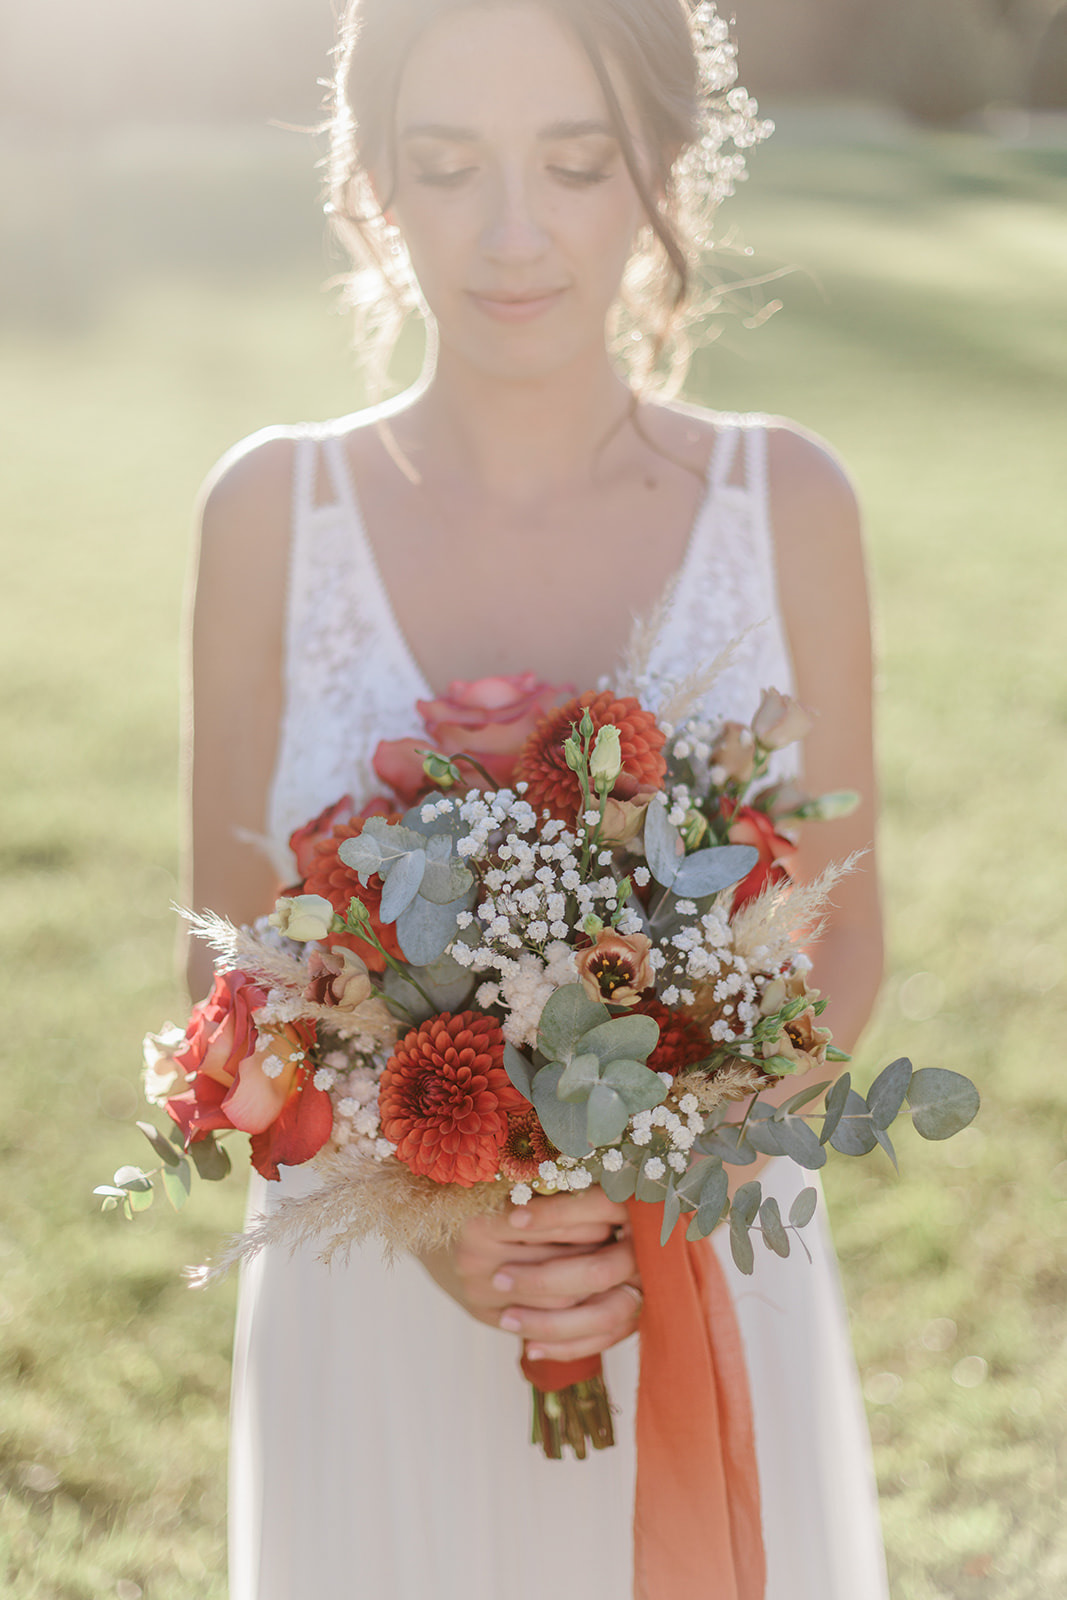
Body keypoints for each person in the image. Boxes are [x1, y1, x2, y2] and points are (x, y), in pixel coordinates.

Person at [185, 2, 888, 1595]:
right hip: (377, 1311)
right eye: (449, 168)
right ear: (371, 184)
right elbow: (218, 970)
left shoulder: (790, 503)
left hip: (702, 1281)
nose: (515, 235)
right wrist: (439, 1226)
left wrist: (643, 1205)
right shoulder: (266, 512)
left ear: (662, 171)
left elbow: (845, 945)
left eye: (575, 164)